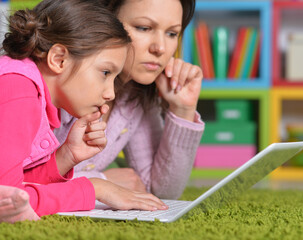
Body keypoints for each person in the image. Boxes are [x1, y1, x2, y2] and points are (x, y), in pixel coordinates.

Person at [0, 0, 167, 223]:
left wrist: (66, 156)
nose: (111, 93)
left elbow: (15, 186)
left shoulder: (33, 92)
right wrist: (93, 188)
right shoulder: (18, 90)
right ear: (59, 59)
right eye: (105, 72)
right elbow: (7, 202)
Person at [54, 0, 204, 200]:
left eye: (172, 33)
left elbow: (160, 192)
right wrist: (100, 183)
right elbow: (14, 181)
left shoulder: (133, 96)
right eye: (144, 28)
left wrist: (183, 109)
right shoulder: (61, 80)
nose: (160, 48)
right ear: (102, 20)